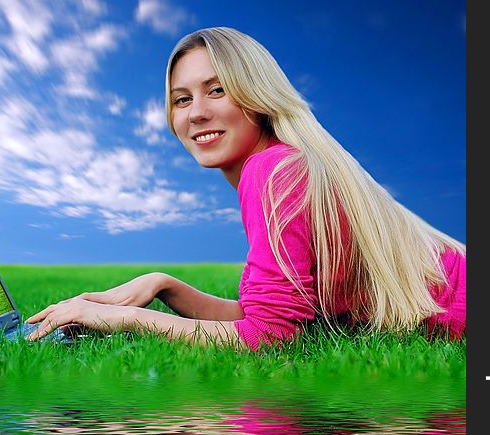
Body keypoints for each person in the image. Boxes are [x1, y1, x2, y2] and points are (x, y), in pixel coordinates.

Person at [26, 27, 466, 350]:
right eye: (182, 100)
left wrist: (122, 318)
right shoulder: (285, 164)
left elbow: (268, 339)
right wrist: (165, 286)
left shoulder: (273, 172)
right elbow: (268, 317)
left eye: (216, 91)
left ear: (256, 97)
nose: (196, 113)